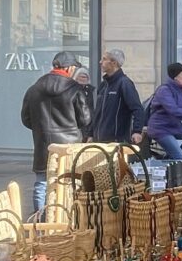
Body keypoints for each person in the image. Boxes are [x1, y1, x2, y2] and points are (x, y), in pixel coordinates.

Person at [21, 51, 91, 214]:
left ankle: (40, 220)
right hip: (70, 144)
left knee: (42, 183)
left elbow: (25, 118)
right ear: (69, 68)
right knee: (70, 181)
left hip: (44, 142)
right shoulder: (75, 89)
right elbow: (85, 119)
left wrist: (41, 128)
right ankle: (67, 217)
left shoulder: (35, 88)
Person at [91, 49, 144, 145]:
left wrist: (137, 131)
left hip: (117, 141)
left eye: (104, 59)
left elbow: (137, 108)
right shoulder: (104, 85)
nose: (100, 62)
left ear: (114, 63)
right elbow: (97, 113)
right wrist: (90, 134)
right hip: (99, 141)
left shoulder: (124, 83)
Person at [73, 67, 95, 139]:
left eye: (85, 77)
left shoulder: (90, 91)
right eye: (81, 76)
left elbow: (91, 107)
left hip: (89, 122)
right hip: (76, 123)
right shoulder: (72, 90)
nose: (83, 78)